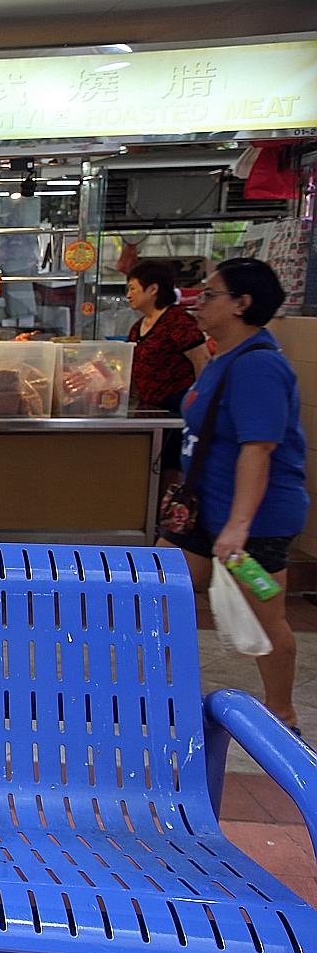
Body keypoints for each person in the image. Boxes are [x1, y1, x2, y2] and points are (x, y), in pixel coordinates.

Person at [158, 258, 305, 732]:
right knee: (157, 594)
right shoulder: (223, 358)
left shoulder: (260, 366)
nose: (199, 301)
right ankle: (161, 696)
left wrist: (238, 528)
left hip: (253, 521)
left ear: (242, 303)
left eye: (211, 295)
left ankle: (283, 715)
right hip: (202, 513)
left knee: (265, 621)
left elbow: (258, 449)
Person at [126, 260, 209, 477]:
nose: (128, 294)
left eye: (133, 288)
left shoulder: (178, 321)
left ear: (153, 289)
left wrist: (199, 403)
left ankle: (170, 509)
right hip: (150, 408)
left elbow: (202, 361)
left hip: (176, 407)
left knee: (170, 467)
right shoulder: (138, 327)